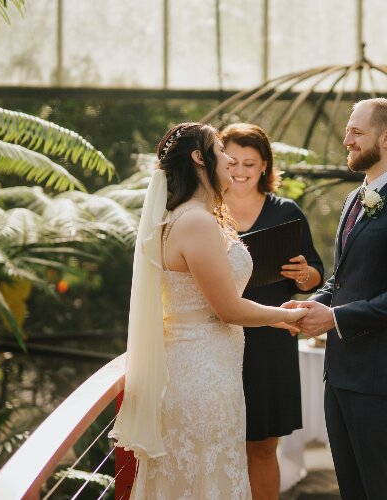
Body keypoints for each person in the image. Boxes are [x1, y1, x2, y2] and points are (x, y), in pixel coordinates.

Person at [109, 122, 309, 499]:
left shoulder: (194, 218)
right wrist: (286, 316)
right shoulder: (196, 222)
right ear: (200, 159)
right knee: (206, 475)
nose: (230, 160)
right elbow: (228, 309)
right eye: (222, 151)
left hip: (212, 367)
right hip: (200, 375)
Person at [283, 98, 387, 499]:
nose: (346, 138)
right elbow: (343, 278)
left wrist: (334, 319)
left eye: (356, 131)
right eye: (348, 130)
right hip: (341, 373)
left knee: (384, 490)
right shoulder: (355, 198)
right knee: (351, 489)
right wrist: (313, 303)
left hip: (379, 381)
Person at [220, 123, 324, 499]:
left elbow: (315, 275)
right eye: (232, 161)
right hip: (216, 338)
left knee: (263, 447)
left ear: (265, 166)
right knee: (219, 446)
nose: (240, 170)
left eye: (250, 162)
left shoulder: (285, 211)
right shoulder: (205, 211)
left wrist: (305, 274)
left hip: (271, 341)